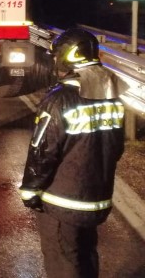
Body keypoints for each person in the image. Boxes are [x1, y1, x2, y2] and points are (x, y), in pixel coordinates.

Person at [19, 28, 125, 277]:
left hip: (63, 202)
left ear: (69, 54)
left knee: (63, 260)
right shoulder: (111, 96)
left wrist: (31, 189)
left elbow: (43, 151)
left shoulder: (60, 99)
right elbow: (116, 147)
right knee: (86, 256)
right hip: (97, 197)